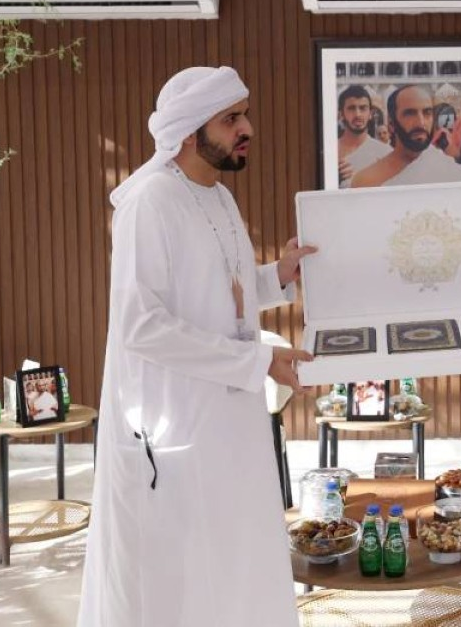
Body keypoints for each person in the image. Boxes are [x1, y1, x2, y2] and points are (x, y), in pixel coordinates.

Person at [78, 66, 316, 627]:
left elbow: (219, 294)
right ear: (189, 132)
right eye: (231, 118)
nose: (247, 128)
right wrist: (258, 360)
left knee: (231, 555)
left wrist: (277, 275)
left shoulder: (219, 197)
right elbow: (140, 324)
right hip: (173, 421)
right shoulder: (150, 203)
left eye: (244, 115)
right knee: (175, 568)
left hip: (227, 416)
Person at [349, 84, 461, 187]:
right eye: (410, 114)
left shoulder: (451, 171)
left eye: (427, 113)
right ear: (391, 124)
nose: (421, 122)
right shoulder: (366, 181)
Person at [336, 85, 391, 187]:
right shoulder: (330, 152)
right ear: (341, 114)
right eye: (351, 108)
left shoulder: (385, 153)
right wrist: (332, 179)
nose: (358, 114)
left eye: (363, 108)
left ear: (370, 114)